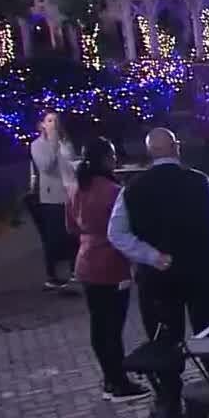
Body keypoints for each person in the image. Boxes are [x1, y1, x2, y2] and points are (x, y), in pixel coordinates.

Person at [107, 128, 209, 418]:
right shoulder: (200, 182)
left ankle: (169, 398)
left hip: (158, 278)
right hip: (203, 271)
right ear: (176, 148)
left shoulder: (132, 188)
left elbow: (116, 233)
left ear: (151, 152)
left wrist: (150, 255)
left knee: (165, 339)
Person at [66, 137, 148, 402]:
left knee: (99, 326)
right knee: (113, 327)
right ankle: (119, 382)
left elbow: (71, 227)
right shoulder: (113, 192)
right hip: (111, 263)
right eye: (112, 156)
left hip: (86, 262)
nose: (115, 161)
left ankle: (109, 379)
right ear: (104, 159)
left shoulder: (76, 188)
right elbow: (128, 227)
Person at [30, 110, 78, 290]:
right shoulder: (37, 145)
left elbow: (70, 164)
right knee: (53, 237)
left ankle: (75, 271)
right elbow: (46, 166)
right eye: (49, 120)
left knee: (73, 233)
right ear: (42, 124)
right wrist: (52, 144)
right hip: (52, 196)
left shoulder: (65, 142)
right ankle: (52, 275)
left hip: (70, 192)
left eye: (56, 121)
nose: (53, 124)